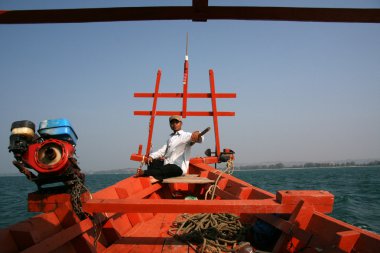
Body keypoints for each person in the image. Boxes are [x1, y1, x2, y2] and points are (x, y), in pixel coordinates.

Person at [135, 115, 203, 181]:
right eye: (172, 123)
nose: (174, 124)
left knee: (170, 168)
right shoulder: (170, 139)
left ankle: (145, 173)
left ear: (181, 123)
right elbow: (162, 151)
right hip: (167, 164)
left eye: (177, 122)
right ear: (170, 125)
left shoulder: (186, 135)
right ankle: (154, 176)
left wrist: (197, 133)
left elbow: (200, 138)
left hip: (178, 168)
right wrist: (151, 157)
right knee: (152, 162)